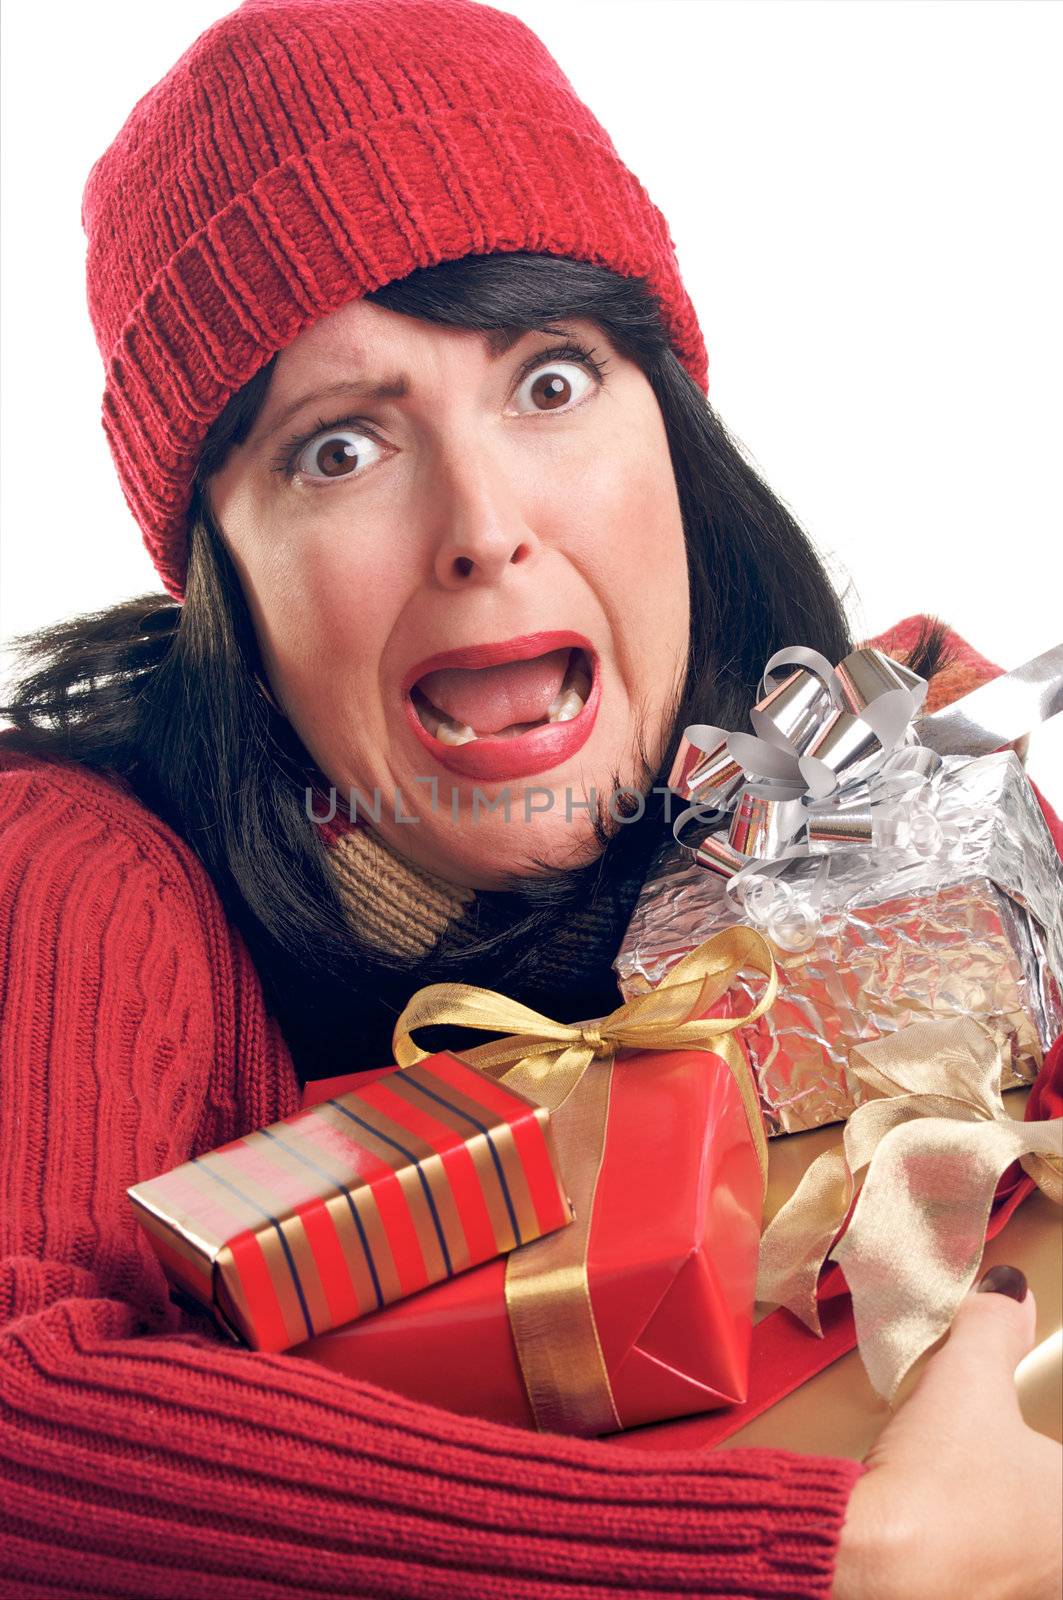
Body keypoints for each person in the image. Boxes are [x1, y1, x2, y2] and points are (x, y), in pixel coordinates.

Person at [1, 2, 1059, 1595]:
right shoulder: (83, 861)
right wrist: (845, 1559)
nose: (483, 524)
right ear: (223, 578)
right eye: (338, 448)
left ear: (674, 437)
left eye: (551, 382)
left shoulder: (869, 776)